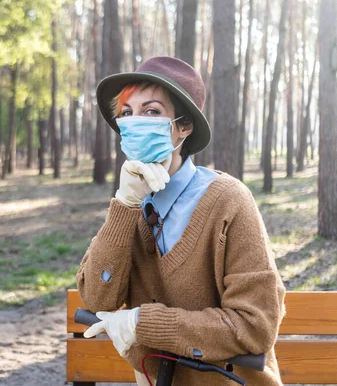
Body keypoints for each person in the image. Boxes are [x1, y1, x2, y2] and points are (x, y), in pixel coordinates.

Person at [76, 56, 286, 385]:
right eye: (127, 113)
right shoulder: (131, 202)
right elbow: (97, 298)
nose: (135, 122)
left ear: (183, 126)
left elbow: (255, 326)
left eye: (152, 111)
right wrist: (124, 205)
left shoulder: (229, 201)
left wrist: (144, 323)